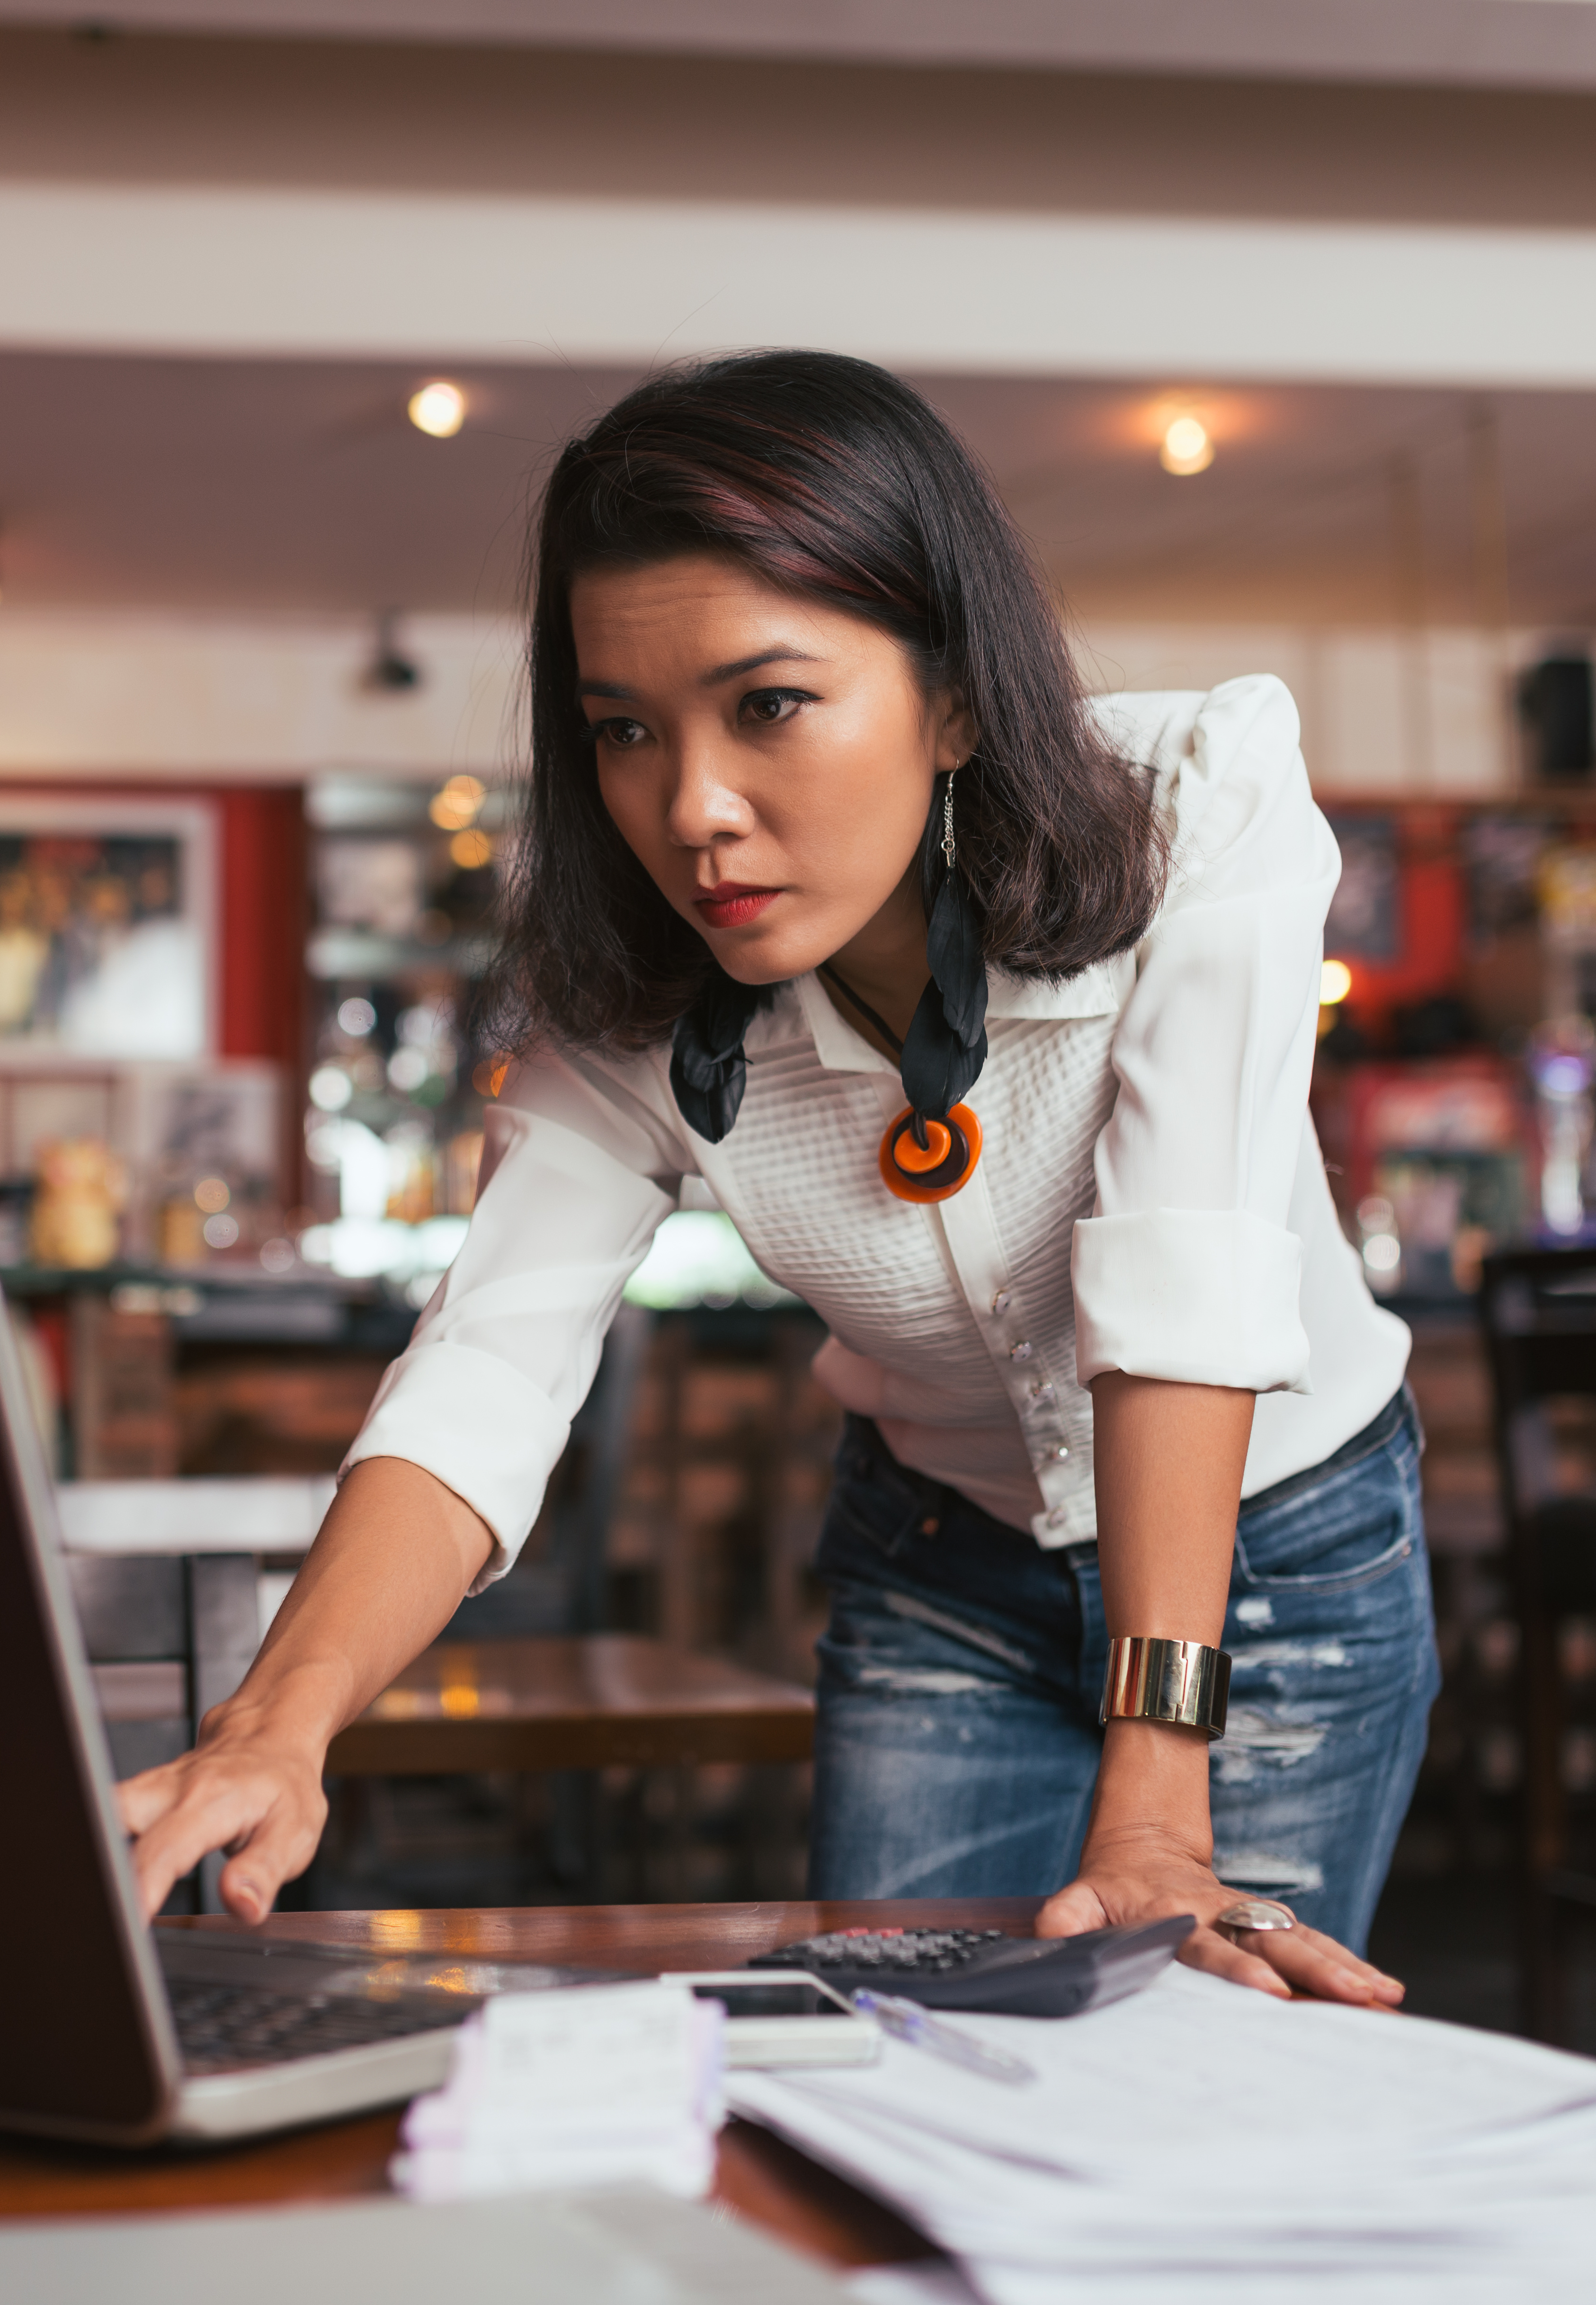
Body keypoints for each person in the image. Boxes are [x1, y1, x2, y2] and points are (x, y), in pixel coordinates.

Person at [120, 352, 1436, 2006]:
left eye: (769, 705)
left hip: (1271, 1560)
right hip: (943, 1566)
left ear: (953, 690)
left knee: (1214, 2108)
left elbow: (1187, 1269)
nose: (692, 812)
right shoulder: (627, 995)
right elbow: (486, 1368)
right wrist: (275, 1725)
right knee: (906, 2071)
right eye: (623, 731)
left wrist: (1159, 1788)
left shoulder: (1195, 807)